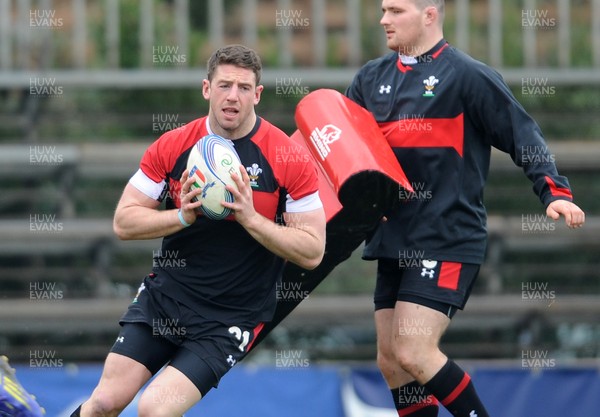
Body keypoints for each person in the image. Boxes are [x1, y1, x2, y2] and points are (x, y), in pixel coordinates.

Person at [345, 1, 585, 416]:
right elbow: (345, 150)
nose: (383, 19)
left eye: (396, 10)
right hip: (392, 240)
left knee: (415, 350)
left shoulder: (468, 76)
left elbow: (521, 133)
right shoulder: (369, 79)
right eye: (383, 9)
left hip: (446, 237)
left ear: (429, 14)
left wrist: (554, 191)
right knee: (393, 362)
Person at [70, 44, 326, 417]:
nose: (232, 97)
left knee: (156, 409)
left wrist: (251, 218)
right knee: (105, 402)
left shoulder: (287, 158)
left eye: (243, 88)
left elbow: (312, 250)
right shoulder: (173, 145)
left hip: (231, 317)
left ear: (258, 94)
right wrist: (181, 217)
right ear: (207, 88)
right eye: (224, 86)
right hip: (167, 297)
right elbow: (124, 221)